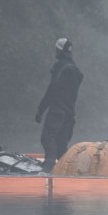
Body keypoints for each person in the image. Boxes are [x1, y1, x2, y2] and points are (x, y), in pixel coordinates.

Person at [35, 37, 83, 170]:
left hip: (57, 111)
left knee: (47, 138)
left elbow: (52, 90)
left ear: (59, 51)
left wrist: (40, 110)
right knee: (61, 147)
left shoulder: (61, 67)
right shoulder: (75, 70)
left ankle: (47, 170)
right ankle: (66, 172)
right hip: (69, 114)